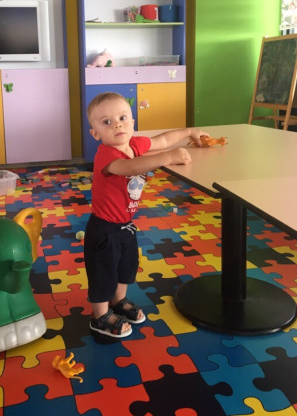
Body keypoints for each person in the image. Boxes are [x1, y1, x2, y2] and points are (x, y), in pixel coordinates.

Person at [84, 91, 209, 339]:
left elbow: (162, 139)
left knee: (126, 267)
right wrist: (168, 157)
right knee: (103, 272)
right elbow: (130, 167)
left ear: (132, 122)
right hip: (103, 230)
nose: (117, 125)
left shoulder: (134, 145)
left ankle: (118, 301)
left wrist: (189, 131)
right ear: (95, 134)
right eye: (107, 122)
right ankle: (99, 315)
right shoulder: (106, 155)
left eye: (122, 118)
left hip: (125, 225)